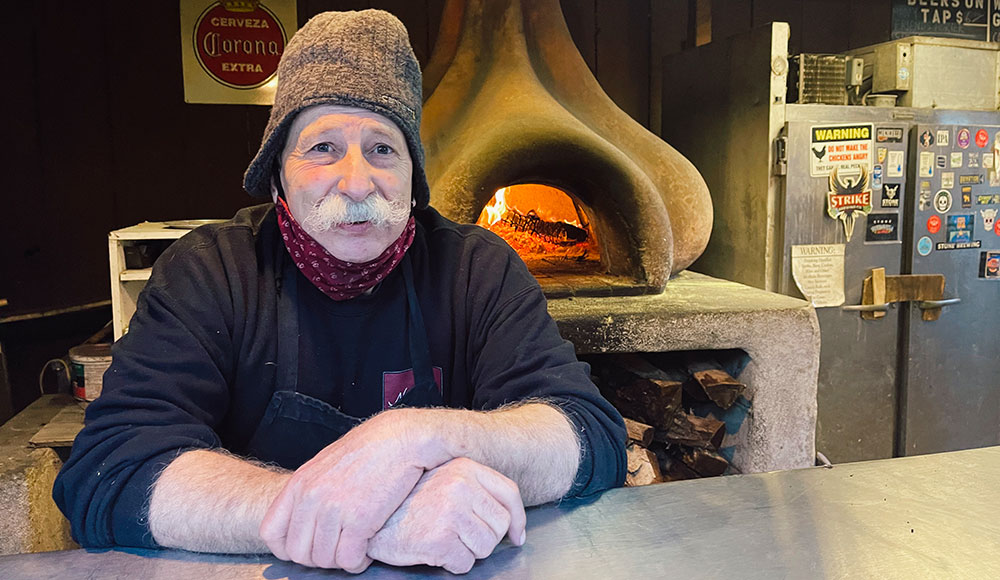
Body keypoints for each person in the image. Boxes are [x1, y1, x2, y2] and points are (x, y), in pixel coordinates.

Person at [53, 9, 626, 574]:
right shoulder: (210, 273)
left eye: (383, 149)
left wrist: (423, 436)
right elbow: (111, 470)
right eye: (322, 147)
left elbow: (587, 433)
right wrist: (359, 516)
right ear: (277, 172)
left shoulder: (477, 270)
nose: (356, 183)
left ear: (411, 176)